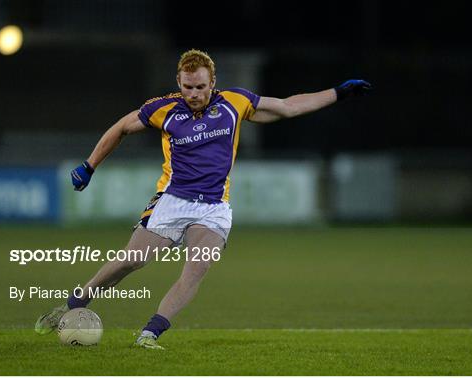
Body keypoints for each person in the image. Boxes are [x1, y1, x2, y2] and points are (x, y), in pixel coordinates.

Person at [35, 49, 372, 349]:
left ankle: (149, 335)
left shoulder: (235, 103)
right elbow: (121, 127)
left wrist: (338, 93)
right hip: (171, 201)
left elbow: (287, 106)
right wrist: (90, 165)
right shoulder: (164, 109)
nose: (193, 94)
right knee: (131, 261)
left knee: (197, 267)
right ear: (178, 82)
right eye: (187, 87)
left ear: (213, 82)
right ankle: (74, 304)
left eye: (200, 87)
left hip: (213, 207)